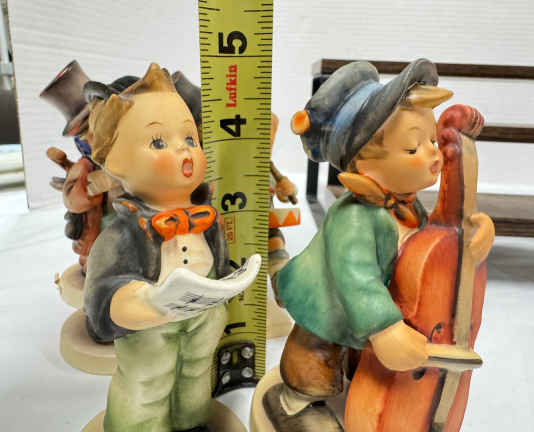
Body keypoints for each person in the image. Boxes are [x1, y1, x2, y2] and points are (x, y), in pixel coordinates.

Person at [262, 59, 493, 431]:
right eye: (413, 148)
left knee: (363, 361)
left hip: (365, 317)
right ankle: (294, 402)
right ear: (365, 166)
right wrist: (384, 329)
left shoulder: (406, 205)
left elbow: (429, 241)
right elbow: (358, 280)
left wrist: (474, 229)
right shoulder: (354, 219)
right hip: (329, 304)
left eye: (432, 141)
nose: (434, 154)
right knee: (315, 363)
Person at [83, 62, 260, 432]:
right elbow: (100, 299)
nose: (183, 150)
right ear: (115, 161)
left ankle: (191, 423)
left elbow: (220, 263)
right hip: (149, 332)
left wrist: (230, 281)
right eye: (158, 142)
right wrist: (134, 305)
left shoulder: (208, 219)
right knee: (146, 386)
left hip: (203, 321)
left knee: (196, 378)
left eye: (190, 139)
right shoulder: (121, 234)